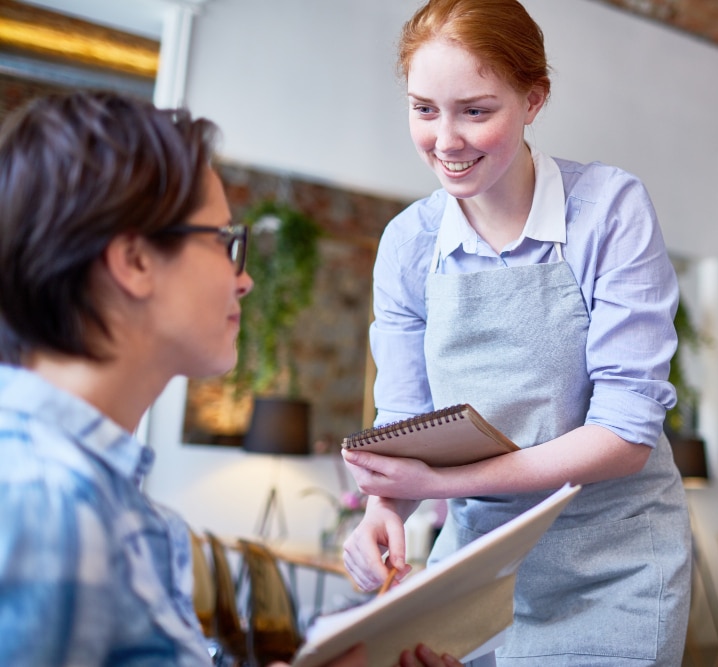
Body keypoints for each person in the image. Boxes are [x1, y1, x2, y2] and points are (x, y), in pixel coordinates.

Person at [0, 90, 460, 667]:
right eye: (223, 243)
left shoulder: (114, 506)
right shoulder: (39, 500)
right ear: (134, 261)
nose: (242, 281)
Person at [340, 0, 692, 664]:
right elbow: (407, 418)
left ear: (534, 100)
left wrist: (437, 487)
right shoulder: (408, 246)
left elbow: (624, 436)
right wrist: (384, 505)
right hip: (481, 568)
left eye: (476, 111)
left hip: (613, 566)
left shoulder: (608, 211)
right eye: (424, 109)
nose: (446, 140)